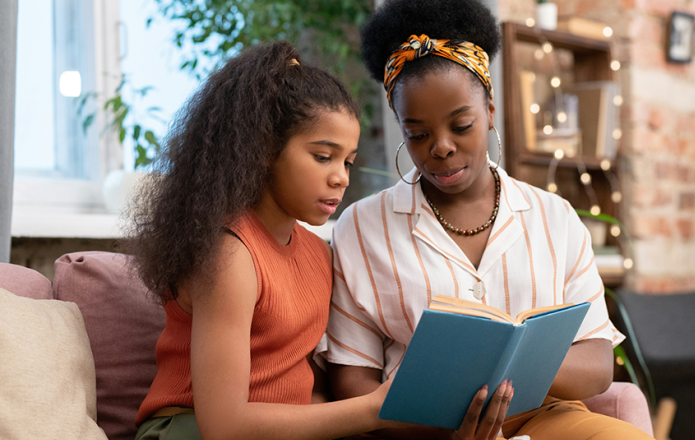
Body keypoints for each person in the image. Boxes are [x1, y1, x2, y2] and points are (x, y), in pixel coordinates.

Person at [129, 40, 513, 440]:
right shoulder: (230, 253)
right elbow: (223, 425)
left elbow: (301, 391)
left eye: (347, 161)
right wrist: (374, 409)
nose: (341, 178)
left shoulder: (317, 252)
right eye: (323, 156)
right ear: (263, 148)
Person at [318, 1, 654, 439]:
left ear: (490, 110)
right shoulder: (362, 227)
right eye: (417, 134)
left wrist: (507, 363)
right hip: (424, 430)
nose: (440, 147)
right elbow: (351, 381)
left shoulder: (554, 217)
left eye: (461, 125)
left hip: (547, 418)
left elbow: (596, 363)